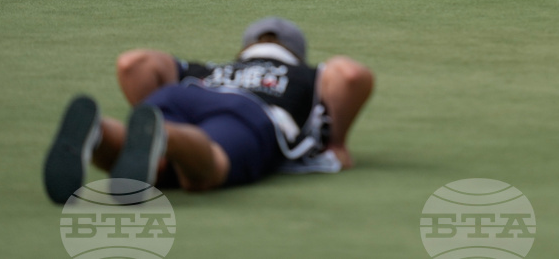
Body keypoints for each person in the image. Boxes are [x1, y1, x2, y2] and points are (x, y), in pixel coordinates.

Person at [43, 17, 374, 203]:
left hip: (181, 95)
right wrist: (337, 145)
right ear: (296, 54)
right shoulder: (305, 75)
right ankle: (162, 136)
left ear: (243, 50)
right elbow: (351, 74)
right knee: (206, 172)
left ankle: (102, 131)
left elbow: (132, 63)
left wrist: (146, 115)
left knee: (161, 173)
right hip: (251, 113)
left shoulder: (206, 70)